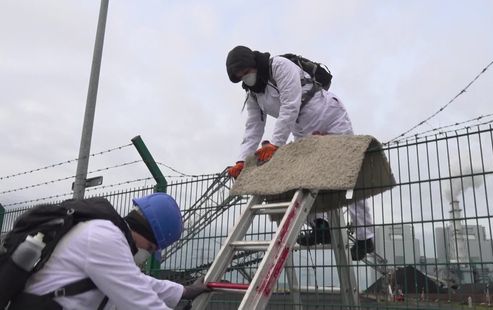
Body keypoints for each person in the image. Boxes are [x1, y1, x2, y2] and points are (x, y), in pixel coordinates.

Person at [225, 45, 374, 260]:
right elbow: (253, 128)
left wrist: (275, 144)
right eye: (239, 77)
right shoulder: (253, 94)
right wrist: (241, 160)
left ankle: (364, 236)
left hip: (329, 116)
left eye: (245, 71)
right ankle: (320, 227)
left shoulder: (280, 66)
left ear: (252, 63)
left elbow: (290, 105)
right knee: (303, 176)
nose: (245, 78)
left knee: (348, 172)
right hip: (302, 129)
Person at [11, 193, 210, 309]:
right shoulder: (105, 237)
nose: (146, 254)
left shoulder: (106, 234)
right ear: (145, 231)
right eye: (150, 248)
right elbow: (139, 300)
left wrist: (183, 291)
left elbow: (136, 281)